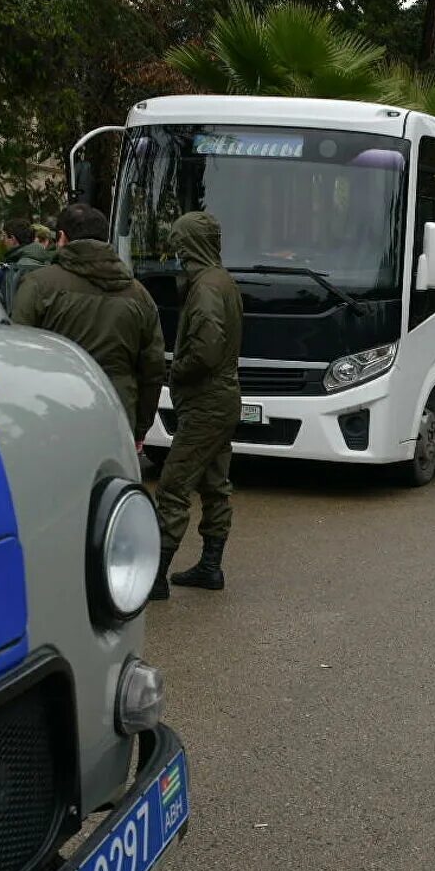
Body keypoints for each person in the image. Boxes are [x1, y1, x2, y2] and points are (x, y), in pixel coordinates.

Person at [9, 202, 164, 452]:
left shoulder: (38, 285)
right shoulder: (140, 296)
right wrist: (140, 427)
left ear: (61, 238)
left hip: (53, 412)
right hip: (118, 413)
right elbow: (152, 369)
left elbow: (17, 357)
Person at [151, 211, 243, 597]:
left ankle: (153, 576)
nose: (175, 254)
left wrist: (178, 372)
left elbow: (206, 350)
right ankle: (210, 567)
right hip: (222, 399)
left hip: (206, 401)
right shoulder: (222, 281)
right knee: (214, 483)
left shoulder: (205, 287)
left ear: (189, 244)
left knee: (173, 485)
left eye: (179, 245)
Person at [0, 218, 54, 301]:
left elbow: (10, 306)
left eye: (4, 236)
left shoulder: (17, 268)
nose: (2, 240)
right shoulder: (47, 262)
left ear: (13, 239)